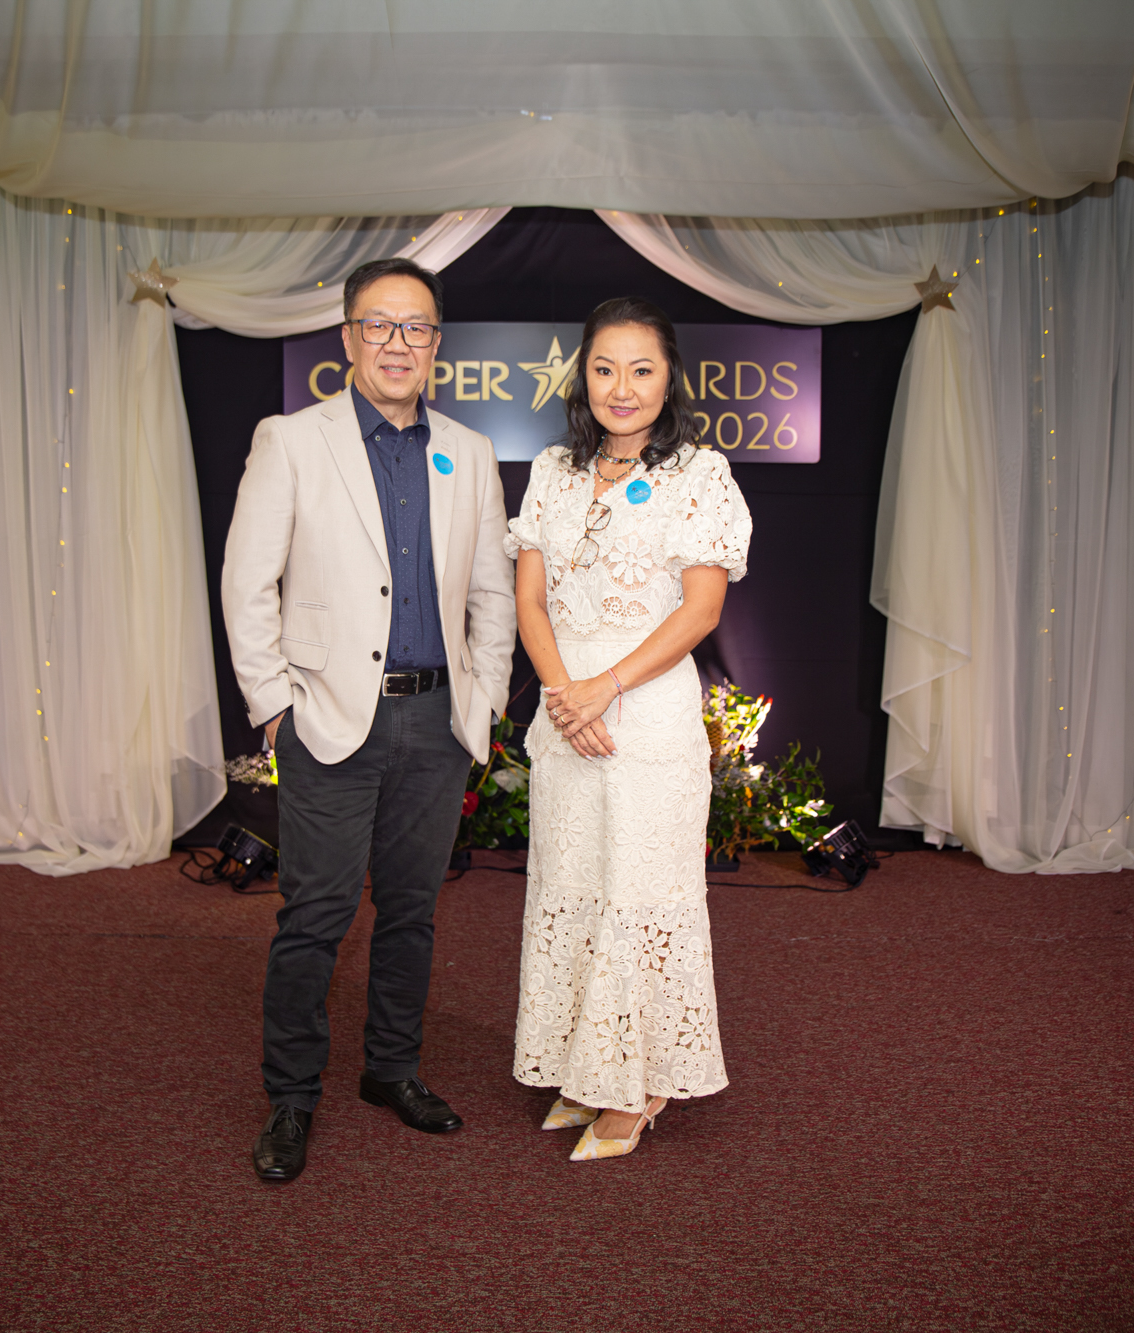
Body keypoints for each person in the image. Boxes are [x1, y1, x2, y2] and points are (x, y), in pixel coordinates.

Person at [221, 257, 516, 1182]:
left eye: (415, 327)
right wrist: (275, 707)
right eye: (379, 325)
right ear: (348, 336)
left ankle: (391, 1068)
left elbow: (493, 594)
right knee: (315, 914)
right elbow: (246, 582)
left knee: (412, 912)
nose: (397, 342)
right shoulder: (291, 440)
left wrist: (483, 701)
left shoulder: (469, 451)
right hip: (329, 718)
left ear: (437, 344)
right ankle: (291, 1094)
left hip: (436, 722)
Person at [505, 296, 752, 1161]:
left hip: (644, 715)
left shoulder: (700, 473)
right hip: (565, 711)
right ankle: (590, 1067)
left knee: (643, 893)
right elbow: (530, 599)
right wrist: (562, 692)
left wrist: (604, 687)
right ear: (583, 376)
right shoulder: (551, 470)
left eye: (641, 369)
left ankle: (645, 1082)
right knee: (573, 884)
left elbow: (701, 609)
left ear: (669, 377)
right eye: (605, 368)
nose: (622, 387)